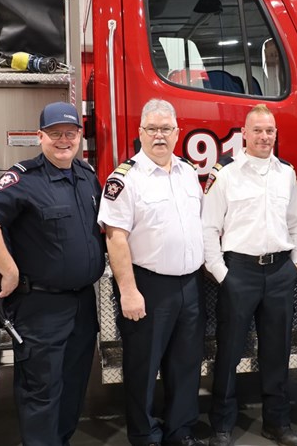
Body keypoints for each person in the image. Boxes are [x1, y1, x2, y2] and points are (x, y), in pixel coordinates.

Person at [0, 102, 105, 446]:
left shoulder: (87, 176)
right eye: (55, 133)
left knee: (74, 386)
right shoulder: (23, 179)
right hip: (41, 307)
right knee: (41, 391)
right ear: (40, 136)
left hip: (82, 304)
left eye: (70, 133)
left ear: (79, 137)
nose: (64, 140)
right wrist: (9, 270)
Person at [97, 98, 206, 446]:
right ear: (140, 132)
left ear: (178, 132)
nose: (159, 135)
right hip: (148, 287)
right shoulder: (125, 179)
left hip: (190, 284)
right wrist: (128, 291)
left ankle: (179, 431)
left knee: (186, 364)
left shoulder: (188, 172)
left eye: (166, 129)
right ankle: (144, 435)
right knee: (143, 367)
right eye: (152, 129)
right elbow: (115, 238)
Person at [202, 104, 297, 446]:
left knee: (277, 352)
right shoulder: (226, 174)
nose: (265, 136)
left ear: (276, 134)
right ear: (243, 134)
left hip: (280, 271)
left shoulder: (286, 173)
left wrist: (296, 263)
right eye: (258, 130)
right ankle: (222, 424)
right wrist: (222, 274)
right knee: (229, 352)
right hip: (239, 272)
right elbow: (208, 228)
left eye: (270, 131)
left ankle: (277, 423)